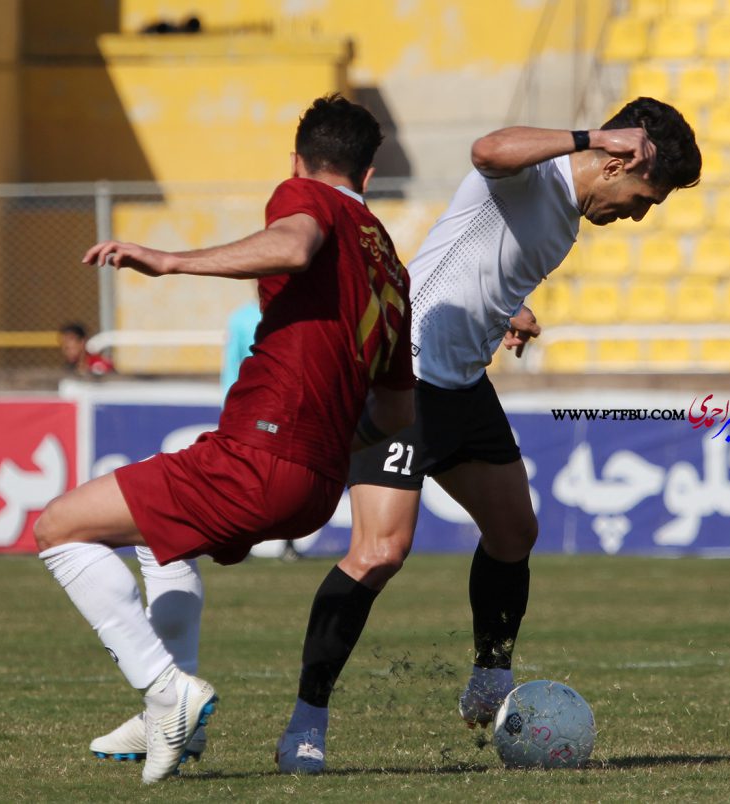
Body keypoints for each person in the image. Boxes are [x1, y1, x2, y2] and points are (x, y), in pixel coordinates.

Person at [273, 96, 702, 772]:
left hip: (462, 384)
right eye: (646, 197)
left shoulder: (567, 221)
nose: (639, 214)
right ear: (617, 161)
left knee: (514, 532)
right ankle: (306, 721)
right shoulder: (535, 171)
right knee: (379, 553)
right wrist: (588, 134)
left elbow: (475, 259)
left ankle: (490, 676)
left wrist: (512, 311)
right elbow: (485, 150)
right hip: (402, 375)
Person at [33, 93, 414, 784]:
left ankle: (166, 690)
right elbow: (393, 413)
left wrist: (169, 261)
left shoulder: (306, 199)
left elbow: (293, 244)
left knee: (58, 528)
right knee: (158, 536)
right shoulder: (389, 264)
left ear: (300, 162)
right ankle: (165, 722)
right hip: (317, 482)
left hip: (263, 451)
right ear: (369, 173)